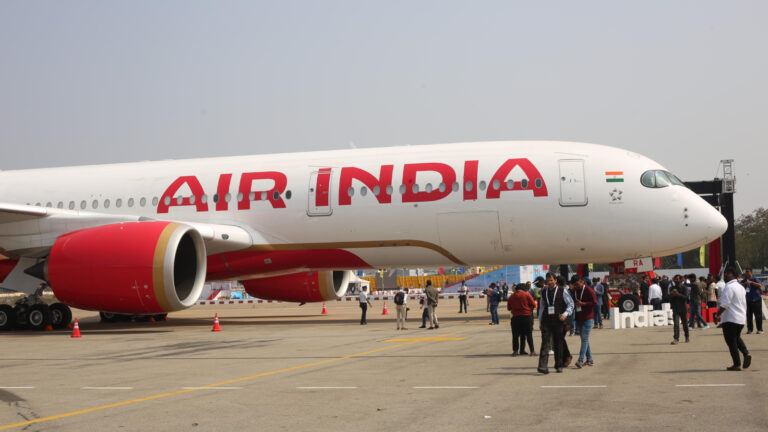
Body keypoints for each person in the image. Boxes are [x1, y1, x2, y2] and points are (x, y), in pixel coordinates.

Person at [715, 267, 751, 371]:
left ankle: (737, 364)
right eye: (725, 273)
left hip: (731, 318)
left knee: (731, 342)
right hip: (740, 318)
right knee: (736, 338)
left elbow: (725, 304)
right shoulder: (740, 287)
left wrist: (717, 315)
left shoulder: (729, 287)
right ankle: (746, 353)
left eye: (727, 274)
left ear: (734, 275)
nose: (725, 275)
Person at [537, 274, 574, 374]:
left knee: (558, 343)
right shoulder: (544, 291)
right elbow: (542, 307)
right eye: (548, 280)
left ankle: (559, 365)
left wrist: (565, 314)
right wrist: (540, 321)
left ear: (555, 280)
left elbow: (571, 304)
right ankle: (542, 366)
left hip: (558, 320)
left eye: (551, 280)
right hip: (546, 320)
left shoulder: (562, 290)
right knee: (545, 343)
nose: (549, 282)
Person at [572, 276, 596, 368]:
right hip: (579, 318)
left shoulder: (589, 290)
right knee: (584, 339)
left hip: (588, 318)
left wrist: (583, 304)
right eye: (574, 285)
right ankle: (590, 359)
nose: (576, 286)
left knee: (584, 339)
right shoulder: (575, 290)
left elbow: (594, 303)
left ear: (582, 281)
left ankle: (581, 360)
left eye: (577, 284)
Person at [508, 283, 536, 356]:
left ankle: (515, 351)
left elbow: (509, 308)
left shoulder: (512, 296)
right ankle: (532, 351)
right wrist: (529, 308)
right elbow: (534, 305)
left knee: (515, 335)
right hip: (526, 317)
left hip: (515, 318)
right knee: (528, 334)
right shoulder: (526, 294)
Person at [742, 269, 764, 334]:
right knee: (749, 316)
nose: (747, 274)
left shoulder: (754, 278)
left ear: (751, 272)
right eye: (746, 273)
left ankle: (760, 329)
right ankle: (750, 330)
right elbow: (740, 284)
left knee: (758, 315)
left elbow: (760, 285)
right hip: (748, 300)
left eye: (748, 272)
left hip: (756, 299)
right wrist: (744, 284)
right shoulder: (745, 279)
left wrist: (751, 282)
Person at [669, 275, 690, 344]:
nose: (677, 280)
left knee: (685, 324)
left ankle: (687, 336)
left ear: (681, 280)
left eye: (678, 279)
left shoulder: (684, 288)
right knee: (676, 324)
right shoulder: (672, 288)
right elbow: (669, 298)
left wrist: (678, 294)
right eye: (675, 279)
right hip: (675, 308)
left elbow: (686, 298)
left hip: (683, 308)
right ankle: (676, 339)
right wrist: (672, 295)